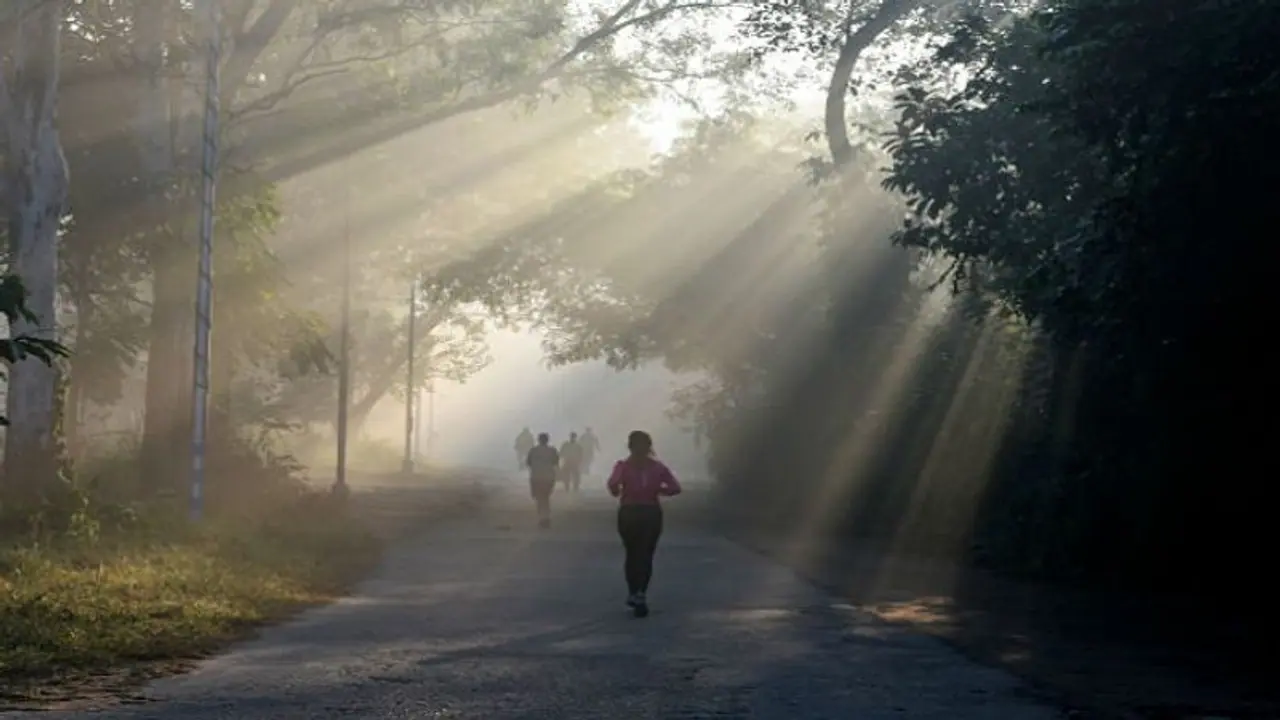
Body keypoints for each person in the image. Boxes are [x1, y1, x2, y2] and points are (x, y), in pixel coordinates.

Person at [607, 430, 682, 617]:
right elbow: (675, 488)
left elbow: (613, 485)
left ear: (629, 446)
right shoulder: (658, 468)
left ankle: (634, 591)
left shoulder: (623, 466)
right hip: (650, 512)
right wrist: (657, 489)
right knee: (646, 554)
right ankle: (640, 593)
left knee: (632, 553)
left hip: (629, 512)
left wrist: (619, 490)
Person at [526, 432, 559, 529]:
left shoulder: (533, 450)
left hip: (536, 477)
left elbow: (528, 462)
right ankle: (545, 517)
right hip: (548, 477)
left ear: (539, 440)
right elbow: (556, 462)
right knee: (545, 497)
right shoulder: (552, 450)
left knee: (539, 498)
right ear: (547, 440)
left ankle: (542, 517)